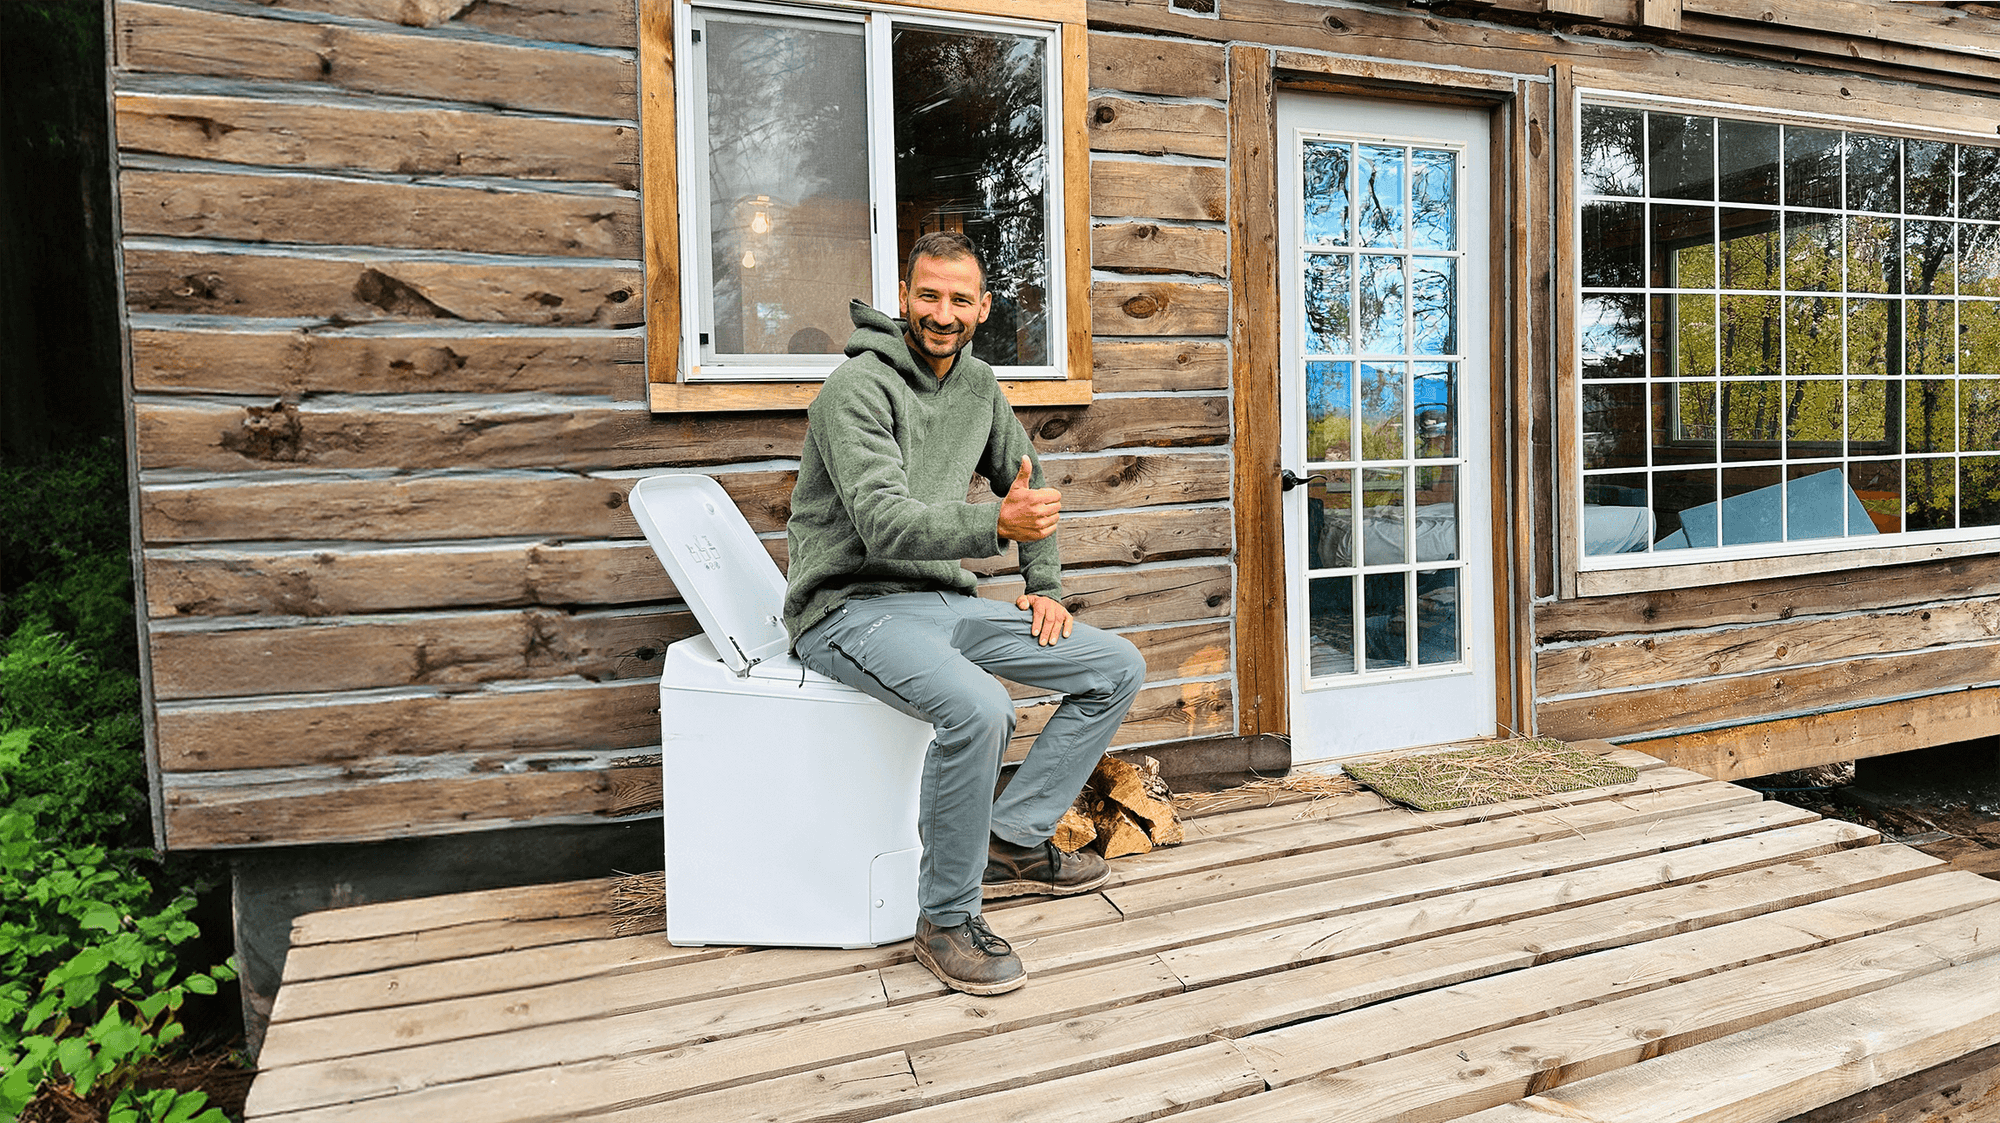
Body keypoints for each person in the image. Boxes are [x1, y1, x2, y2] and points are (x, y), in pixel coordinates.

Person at [785, 231, 1146, 996]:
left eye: (959, 298)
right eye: (928, 295)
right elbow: (883, 522)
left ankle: (1013, 838)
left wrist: (1043, 582)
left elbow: (1029, 478)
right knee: (981, 708)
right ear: (905, 299)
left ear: (982, 306)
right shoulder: (857, 390)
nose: (942, 313)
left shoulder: (979, 385)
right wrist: (996, 530)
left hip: (941, 601)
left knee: (1114, 665)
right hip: (847, 608)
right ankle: (945, 919)